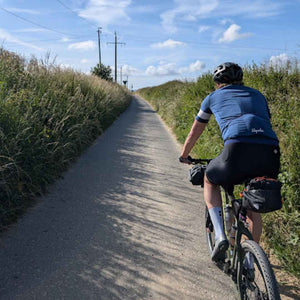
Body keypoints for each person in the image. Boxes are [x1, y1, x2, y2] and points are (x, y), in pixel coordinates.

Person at [179, 62, 280, 261]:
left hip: (236, 149)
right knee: (252, 203)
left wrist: (184, 155)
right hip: (270, 152)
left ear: (217, 82)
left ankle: (220, 236)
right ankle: (251, 260)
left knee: (210, 179)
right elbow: (265, 120)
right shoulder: (258, 95)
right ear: (241, 79)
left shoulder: (212, 98)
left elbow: (195, 131)